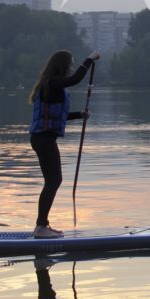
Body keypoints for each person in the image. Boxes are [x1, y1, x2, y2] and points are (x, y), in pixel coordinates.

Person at [28, 48, 101, 237]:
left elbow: (56, 115)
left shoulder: (52, 85)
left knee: (53, 180)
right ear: (63, 66)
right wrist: (89, 60)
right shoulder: (52, 83)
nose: (71, 68)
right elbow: (75, 79)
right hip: (43, 139)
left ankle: (42, 226)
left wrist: (79, 115)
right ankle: (40, 227)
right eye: (70, 64)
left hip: (42, 138)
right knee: (53, 181)